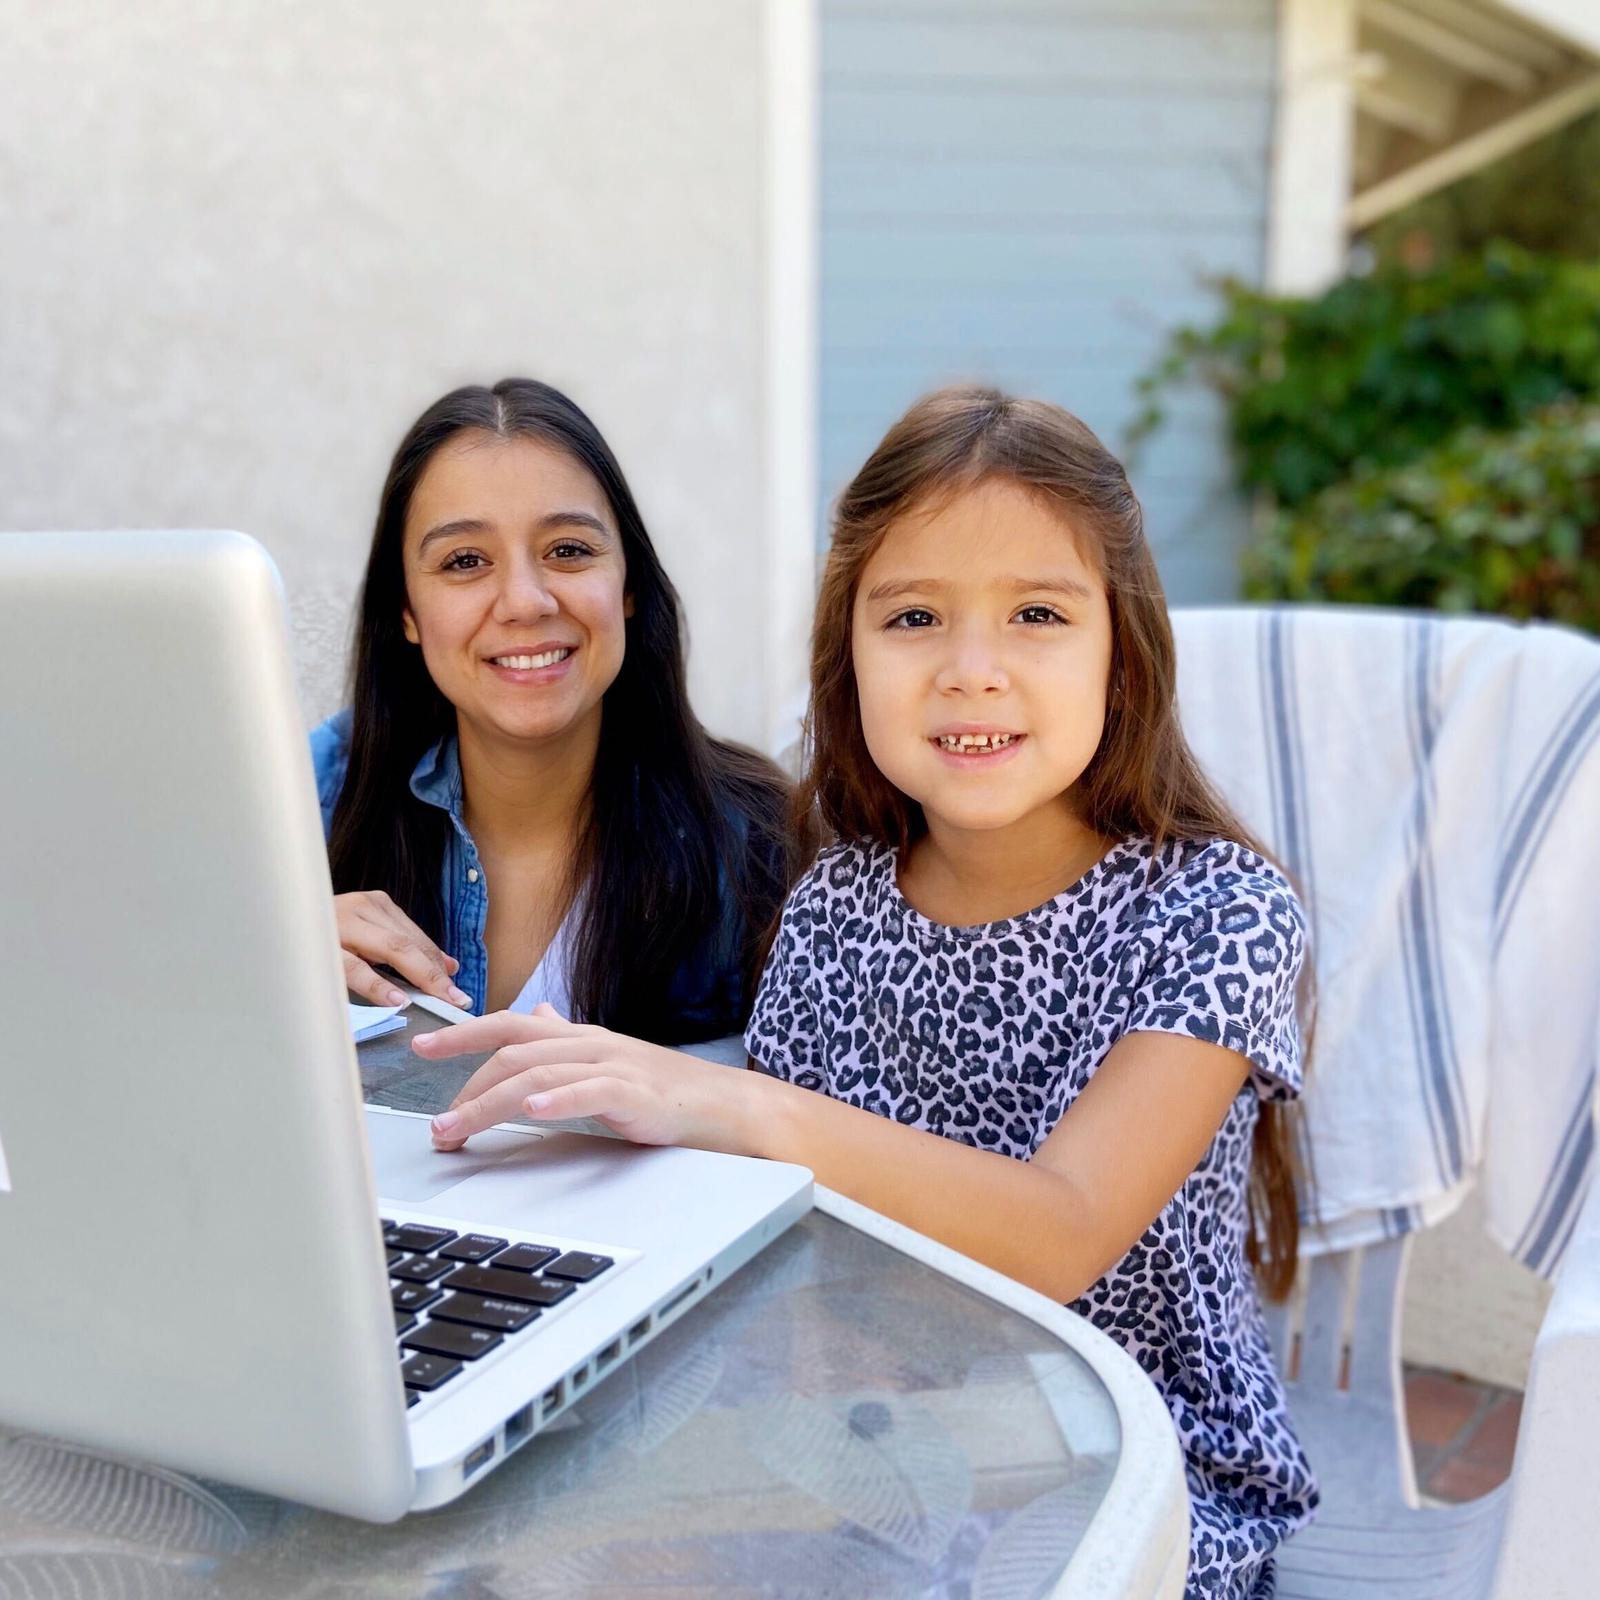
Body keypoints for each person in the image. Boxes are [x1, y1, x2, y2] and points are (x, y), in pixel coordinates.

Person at [413, 385, 1318, 1597]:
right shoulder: (835, 904)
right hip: (872, 1455)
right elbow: (800, 1269)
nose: (972, 671)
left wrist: (740, 1107)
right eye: (914, 619)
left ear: (1124, 649)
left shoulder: (1214, 914)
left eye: (1038, 613)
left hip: (1138, 1491)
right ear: (849, 649)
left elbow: (1063, 1231)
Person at [313, 377, 794, 1044]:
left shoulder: (762, 843)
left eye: (568, 550)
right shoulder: (312, 801)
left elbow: (815, 1112)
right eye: (464, 561)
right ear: (406, 612)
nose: (525, 600)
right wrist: (266, 959)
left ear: (628, 585)